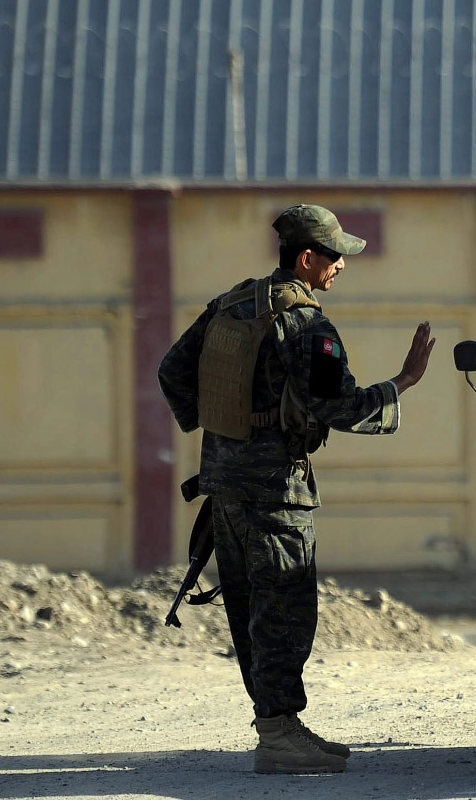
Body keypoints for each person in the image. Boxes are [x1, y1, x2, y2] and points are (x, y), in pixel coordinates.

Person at [157, 204, 435, 775]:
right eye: (334, 257)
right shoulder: (306, 325)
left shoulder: (231, 303)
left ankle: (276, 726)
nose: (340, 268)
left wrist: (225, 430)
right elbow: (335, 406)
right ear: (307, 258)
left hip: (224, 488)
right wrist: (402, 383)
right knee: (283, 609)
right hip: (277, 494)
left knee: (250, 609)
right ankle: (279, 735)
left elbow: (171, 371)